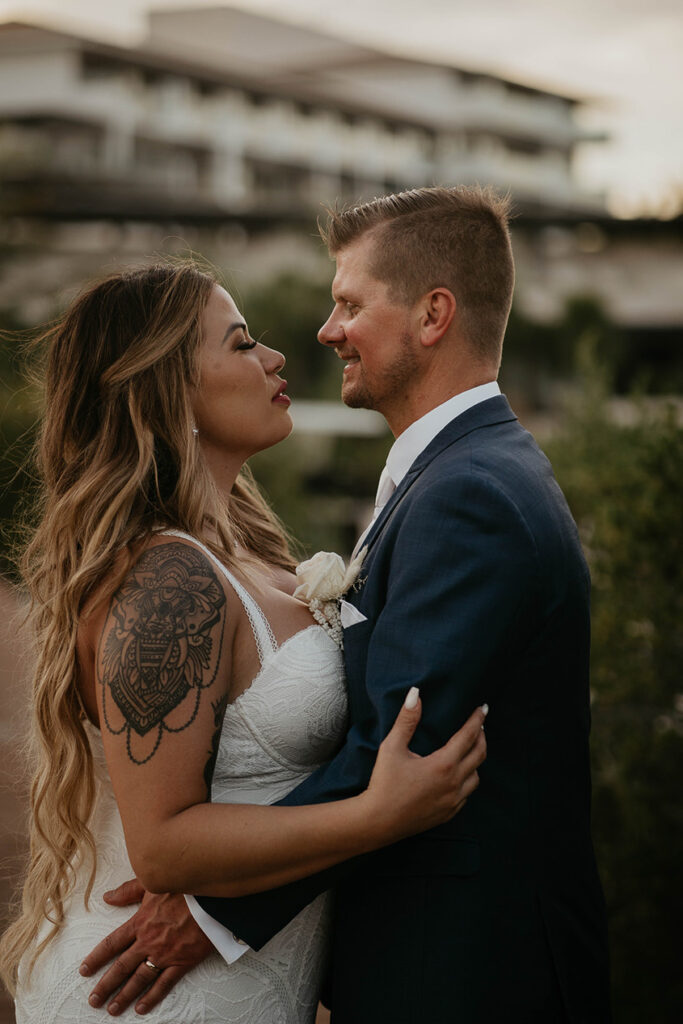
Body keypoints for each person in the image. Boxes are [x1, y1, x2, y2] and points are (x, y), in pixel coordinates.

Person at [78, 186, 611, 1022]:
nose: (323, 333)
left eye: (349, 304)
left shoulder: (468, 493)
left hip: (463, 972)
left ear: (433, 315)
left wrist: (218, 914)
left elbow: (404, 746)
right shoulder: (460, 476)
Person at [0, 261, 488, 1023]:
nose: (275, 358)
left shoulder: (245, 559)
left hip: (239, 986)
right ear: (171, 390)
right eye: (240, 344)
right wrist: (378, 815)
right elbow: (161, 847)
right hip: (146, 994)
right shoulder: (169, 582)